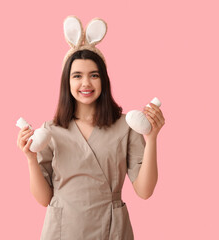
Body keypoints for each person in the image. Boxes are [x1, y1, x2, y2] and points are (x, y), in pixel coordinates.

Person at [17, 16, 165, 240]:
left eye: (94, 75)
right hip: (62, 230)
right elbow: (44, 198)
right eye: (77, 76)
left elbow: (144, 191)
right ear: (67, 82)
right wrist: (30, 158)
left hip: (110, 229)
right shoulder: (51, 130)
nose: (85, 83)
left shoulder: (125, 127)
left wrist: (152, 139)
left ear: (103, 80)